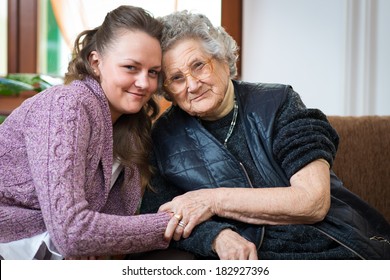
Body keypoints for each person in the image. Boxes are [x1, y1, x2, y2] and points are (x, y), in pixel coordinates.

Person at [140, 10, 390, 260]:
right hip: (250, 261)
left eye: (198, 66)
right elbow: (159, 216)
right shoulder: (162, 137)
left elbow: (312, 201)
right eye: (177, 78)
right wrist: (217, 236)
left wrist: (212, 200)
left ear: (224, 61)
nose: (192, 85)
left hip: (329, 245)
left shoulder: (279, 103)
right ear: (168, 92)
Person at [0, 5, 182, 260]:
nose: (145, 83)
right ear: (96, 62)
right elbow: (72, 232)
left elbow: (107, 224)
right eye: (131, 67)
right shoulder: (67, 106)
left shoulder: (129, 124)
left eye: (153, 72)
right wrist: (172, 224)